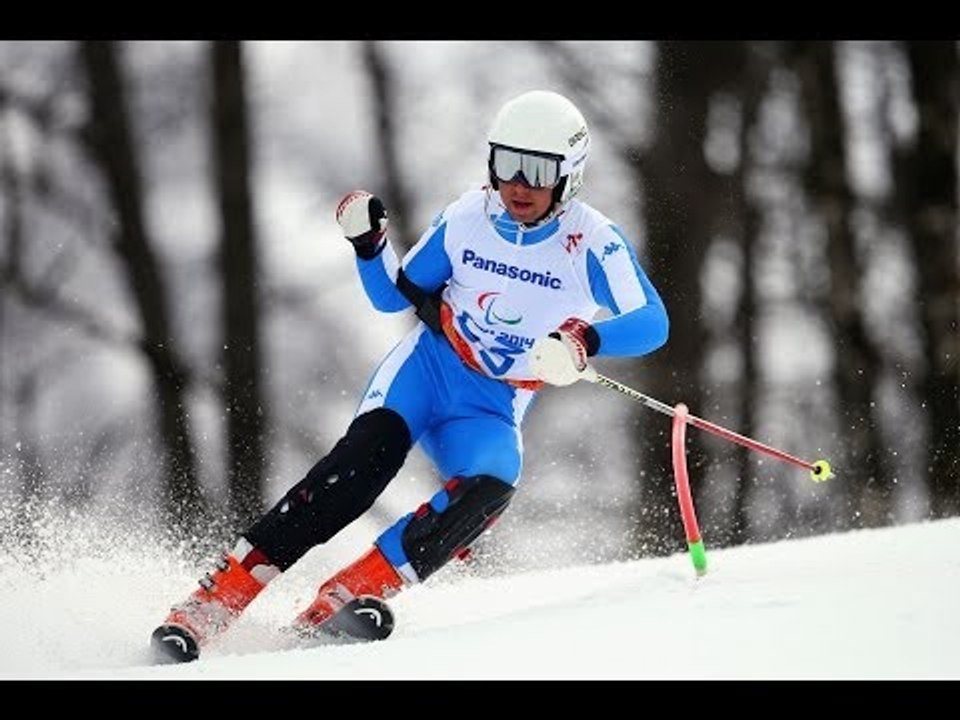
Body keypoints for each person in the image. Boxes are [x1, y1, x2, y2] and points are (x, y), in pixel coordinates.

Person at [150, 89, 669, 663]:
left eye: (538, 170)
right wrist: (369, 248)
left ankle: (351, 592)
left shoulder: (591, 241)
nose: (518, 184)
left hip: (490, 405)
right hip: (427, 372)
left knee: (494, 483)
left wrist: (584, 339)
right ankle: (209, 604)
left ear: (570, 176)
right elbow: (395, 296)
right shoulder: (470, 216)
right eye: (505, 164)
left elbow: (653, 322)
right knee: (359, 470)